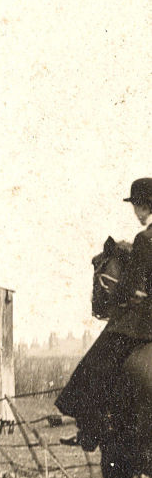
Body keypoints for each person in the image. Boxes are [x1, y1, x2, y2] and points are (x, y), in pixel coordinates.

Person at [56, 178, 152, 451]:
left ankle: (89, 427)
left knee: (97, 360)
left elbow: (129, 285)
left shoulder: (144, 239)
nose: (136, 212)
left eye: (136, 205)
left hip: (144, 321)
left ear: (145, 205)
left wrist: (119, 295)